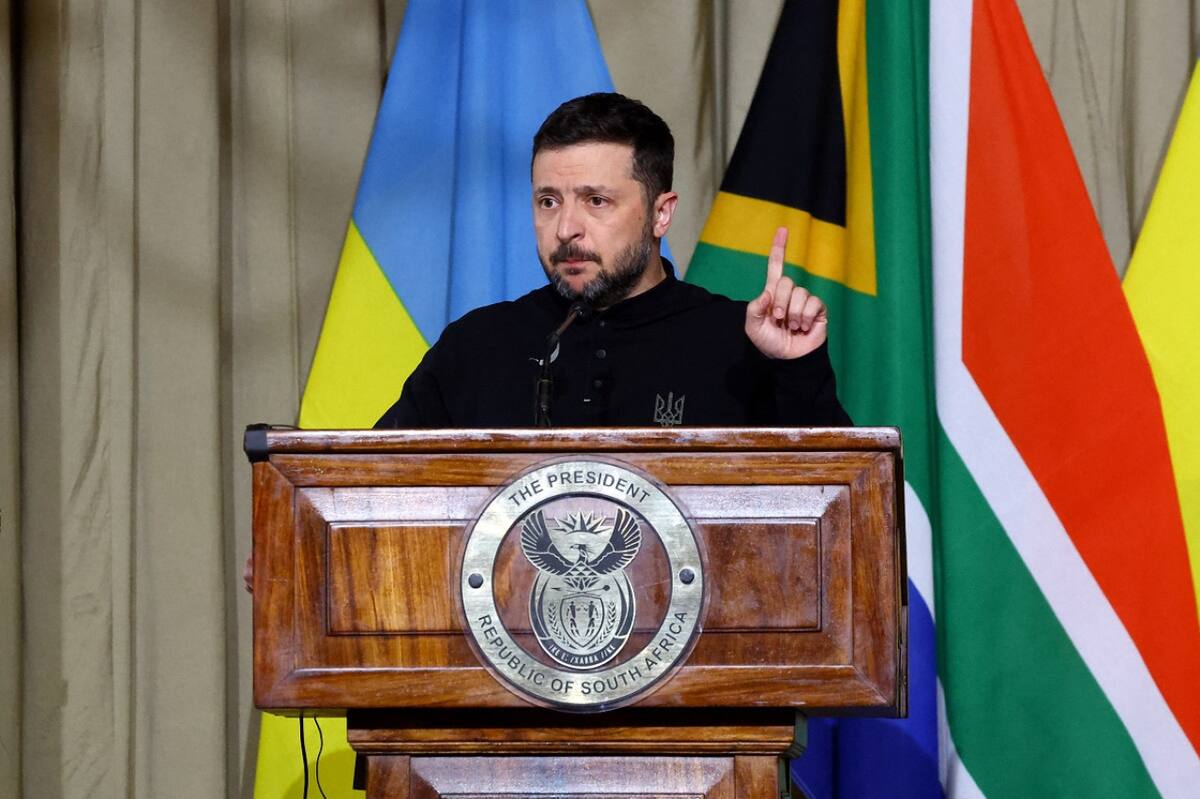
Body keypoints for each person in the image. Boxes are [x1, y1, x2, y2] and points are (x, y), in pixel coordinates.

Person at [375, 92, 850, 429]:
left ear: (661, 214)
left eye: (596, 201)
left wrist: (797, 369)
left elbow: (838, 505)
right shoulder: (477, 346)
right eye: (548, 201)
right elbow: (370, 489)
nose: (566, 228)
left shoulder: (739, 343)